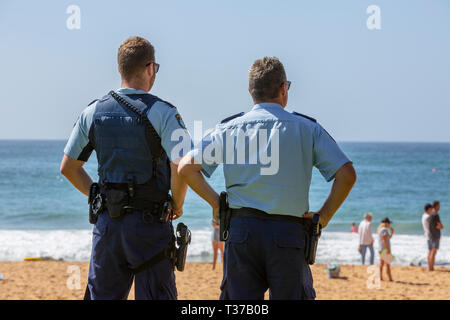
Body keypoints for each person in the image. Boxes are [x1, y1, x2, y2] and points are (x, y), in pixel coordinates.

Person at [177, 57, 356, 300]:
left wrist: (216, 204)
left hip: (242, 232)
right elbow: (346, 175)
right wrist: (321, 218)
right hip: (288, 234)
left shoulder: (228, 128)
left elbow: (186, 167)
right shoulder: (307, 129)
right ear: (284, 88)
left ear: (251, 91)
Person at [60, 36, 190, 299]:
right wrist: (177, 203)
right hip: (150, 227)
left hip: (108, 225)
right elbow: (183, 165)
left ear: (120, 69)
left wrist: (100, 197)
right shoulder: (164, 113)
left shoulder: (93, 111)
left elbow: (68, 168)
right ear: (150, 67)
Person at [422, 202, 443, 271]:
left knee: (430, 251)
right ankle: (431, 267)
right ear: (428, 209)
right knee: (433, 252)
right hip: (432, 235)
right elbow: (437, 225)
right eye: (431, 209)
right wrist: (439, 226)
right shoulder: (428, 217)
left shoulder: (424, 215)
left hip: (428, 235)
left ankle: (429, 266)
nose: (432, 210)